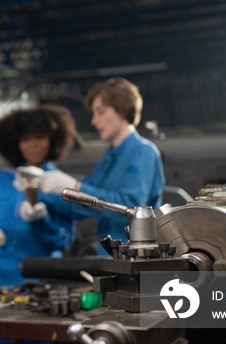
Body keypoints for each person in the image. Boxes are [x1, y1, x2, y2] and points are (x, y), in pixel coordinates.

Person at [0, 105, 76, 344]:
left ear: (53, 140)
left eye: (40, 137)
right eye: (25, 139)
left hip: (42, 277)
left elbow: (65, 240)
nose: (33, 145)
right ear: (15, 143)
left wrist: (42, 221)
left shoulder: (60, 182)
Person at [39, 77, 165, 255]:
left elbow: (132, 207)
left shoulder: (143, 152)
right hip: (110, 258)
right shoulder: (108, 160)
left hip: (138, 258)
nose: (94, 121)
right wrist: (42, 194)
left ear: (122, 109)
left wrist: (74, 186)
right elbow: (82, 205)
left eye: (101, 111)